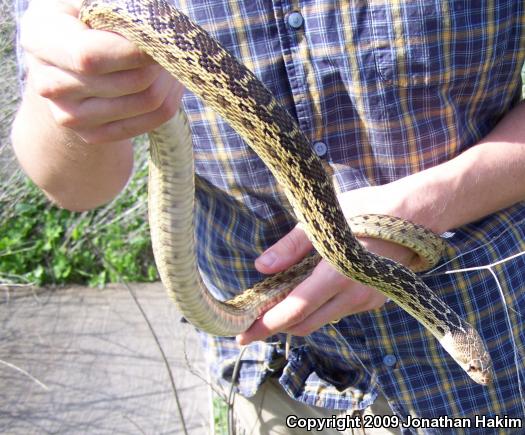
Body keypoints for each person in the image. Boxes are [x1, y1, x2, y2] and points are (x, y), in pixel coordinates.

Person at [12, 0, 525, 433]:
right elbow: (73, 189)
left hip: (493, 359)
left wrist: (431, 206)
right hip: (276, 380)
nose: (473, 366)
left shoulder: (475, 359)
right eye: (471, 361)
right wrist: (65, 87)